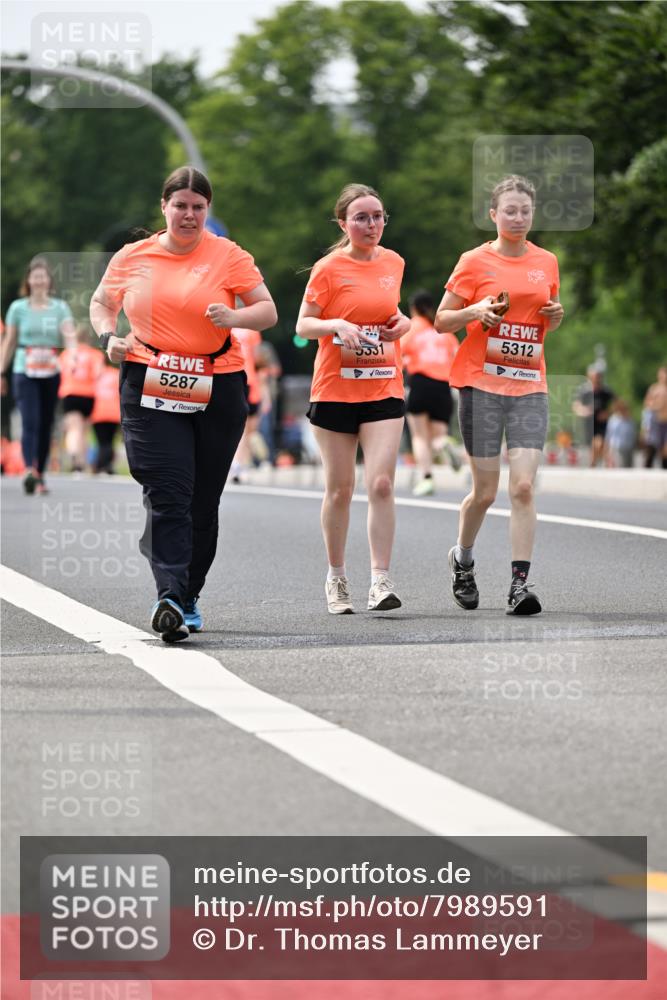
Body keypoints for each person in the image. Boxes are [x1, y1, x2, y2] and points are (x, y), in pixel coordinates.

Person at [90, 166, 277, 642]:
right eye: (180, 206)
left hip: (218, 382)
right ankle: (169, 595)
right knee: (168, 489)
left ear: (207, 210)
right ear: (164, 207)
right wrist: (108, 336)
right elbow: (101, 303)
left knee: (202, 498)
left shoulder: (229, 255)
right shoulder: (134, 256)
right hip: (150, 378)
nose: (189, 215)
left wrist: (235, 314)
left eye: (198, 207)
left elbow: (268, 311)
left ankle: (189, 592)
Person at [435, 174, 564, 615]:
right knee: (486, 492)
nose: (518, 217)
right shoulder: (474, 261)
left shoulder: (546, 261)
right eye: (510, 210)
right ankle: (463, 559)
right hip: (481, 383)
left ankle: (519, 585)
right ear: (493, 214)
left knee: (523, 486)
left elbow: (546, 316)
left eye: (525, 210)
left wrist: (556, 315)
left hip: (529, 383)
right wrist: (476, 311)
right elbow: (442, 320)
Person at [295, 182, 412, 615]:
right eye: (361, 218)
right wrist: (336, 325)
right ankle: (337, 576)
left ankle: (380, 580)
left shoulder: (394, 263)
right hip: (335, 389)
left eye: (378, 216)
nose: (371, 225)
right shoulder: (327, 268)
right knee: (340, 489)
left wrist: (403, 324)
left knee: (381, 483)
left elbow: (392, 313)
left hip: (383, 382)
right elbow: (304, 325)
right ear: (343, 223)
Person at [1, 257, 75, 494]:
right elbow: (10, 341)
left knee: (45, 423)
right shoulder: (18, 308)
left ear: (49, 281)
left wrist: (73, 354)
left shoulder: (60, 307)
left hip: (51, 370)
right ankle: (29, 470)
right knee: (30, 420)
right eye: (35, 276)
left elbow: (69, 335)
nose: (39, 280)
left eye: (43, 276)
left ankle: (40, 474)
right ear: (29, 281)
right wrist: (2, 370)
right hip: (24, 368)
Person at [402, 289, 461, 495]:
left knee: (419, 436)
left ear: (413, 309)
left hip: (420, 383)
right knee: (438, 436)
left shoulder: (411, 328)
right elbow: (457, 358)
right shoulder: (444, 331)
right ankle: (444, 444)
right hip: (443, 386)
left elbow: (396, 356)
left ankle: (427, 478)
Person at [58, 326, 105, 472]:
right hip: (88, 395)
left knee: (73, 428)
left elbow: (60, 372)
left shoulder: (66, 354)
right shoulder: (96, 355)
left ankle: (74, 456)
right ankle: (82, 461)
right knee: (84, 430)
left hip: (70, 393)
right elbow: (99, 374)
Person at [230, 326, 263, 482]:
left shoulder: (227, 327)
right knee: (247, 429)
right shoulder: (251, 331)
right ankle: (238, 464)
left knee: (239, 428)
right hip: (248, 379)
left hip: (232, 377)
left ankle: (239, 463)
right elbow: (258, 358)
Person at [573, 365, 615, 466]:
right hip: (589, 423)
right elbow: (576, 405)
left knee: (599, 444)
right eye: (594, 376)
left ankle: (600, 463)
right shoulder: (584, 391)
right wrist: (584, 411)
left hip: (602, 424)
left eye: (598, 376)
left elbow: (616, 405)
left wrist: (608, 413)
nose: (596, 379)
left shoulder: (605, 391)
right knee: (593, 448)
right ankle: (594, 464)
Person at [91, 357, 121, 474]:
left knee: (102, 441)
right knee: (110, 441)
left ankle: (101, 465)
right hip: (114, 413)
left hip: (98, 413)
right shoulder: (116, 374)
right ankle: (107, 465)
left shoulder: (95, 376)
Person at [642, 365, 667, 469]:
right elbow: (647, 403)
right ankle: (647, 468)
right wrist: (656, 405)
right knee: (651, 446)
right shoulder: (654, 388)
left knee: (665, 449)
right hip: (655, 422)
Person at [604, 400, 636, 468]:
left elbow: (632, 434)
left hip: (628, 447)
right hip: (616, 446)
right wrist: (607, 448)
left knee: (628, 466)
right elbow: (609, 434)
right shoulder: (613, 420)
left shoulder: (630, 420)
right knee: (619, 466)